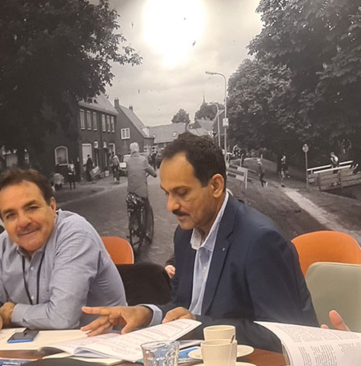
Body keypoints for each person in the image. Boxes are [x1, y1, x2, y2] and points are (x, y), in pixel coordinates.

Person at [82, 133, 317, 352]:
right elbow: (182, 307)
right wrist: (147, 313)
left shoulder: (260, 241)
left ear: (215, 186)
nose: (171, 206)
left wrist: (197, 327)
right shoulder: (184, 235)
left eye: (182, 193)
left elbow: (282, 335)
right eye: (167, 193)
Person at [0, 168, 126, 336]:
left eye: (32, 208)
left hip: (99, 345)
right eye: (11, 215)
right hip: (37, 346)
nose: (23, 222)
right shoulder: (3, 244)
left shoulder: (76, 233)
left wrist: (12, 313)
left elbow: (63, 317)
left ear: (52, 206)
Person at [126, 142, 157, 235]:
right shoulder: (143, 160)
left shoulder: (128, 161)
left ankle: (133, 225)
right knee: (147, 208)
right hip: (142, 192)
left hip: (131, 193)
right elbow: (153, 172)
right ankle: (147, 231)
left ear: (131, 150)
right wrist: (154, 174)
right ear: (138, 149)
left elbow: (127, 172)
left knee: (132, 207)